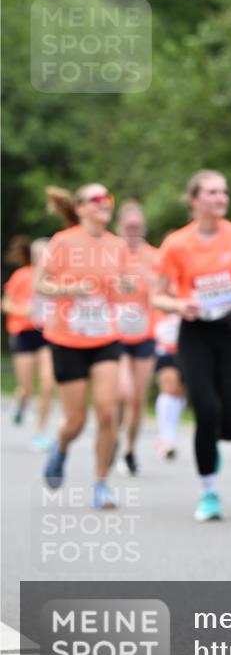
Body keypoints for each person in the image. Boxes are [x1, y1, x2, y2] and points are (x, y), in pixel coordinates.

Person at [153, 170, 231, 522]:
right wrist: (179, 306)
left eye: (224, 192)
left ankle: (214, 440)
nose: (221, 198)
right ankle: (209, 492)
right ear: (194, 200)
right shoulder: (176, 243)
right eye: (212, 192)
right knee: (206, 411)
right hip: (196, 333)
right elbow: (157, 296)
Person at [38, 185, 132, 509]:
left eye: (109, 197)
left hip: (105, 336)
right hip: (67, 338)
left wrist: (126, 284)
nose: (104, 203)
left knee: (107, 411)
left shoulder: (117, 246)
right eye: (96, 199)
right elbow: (41, 284)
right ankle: (60, 447)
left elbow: (124, 285)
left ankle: (101, 483)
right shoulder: (63, 242)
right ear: (79, 208)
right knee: (75, 421)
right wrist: (71, 288)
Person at [114, 200, 158, 476]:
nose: (133, 231)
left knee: (138, 400)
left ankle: (129, 449)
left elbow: (164, 292)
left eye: (138, 227)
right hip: (114, 335)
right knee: (122, 392)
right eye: (129, 227)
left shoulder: (154, 256)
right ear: (119, 227)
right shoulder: (107, 254)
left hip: (144, 333)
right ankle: (112, 436)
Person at [2, 235, 54, 448]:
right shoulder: (21, 276)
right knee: (27, 388)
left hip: (46, 334)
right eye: (39, 255)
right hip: (23, 333)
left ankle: (40, 432)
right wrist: (24, 310)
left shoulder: (56, 279)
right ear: (32, 256)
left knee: (48, 383)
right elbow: (6, 304)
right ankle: (21, 401)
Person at [153, 307, 186, 460]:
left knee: (179, 391)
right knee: (169, 386)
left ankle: (170, 434)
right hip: (165, 340)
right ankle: (166, 439)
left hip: (187, 342)